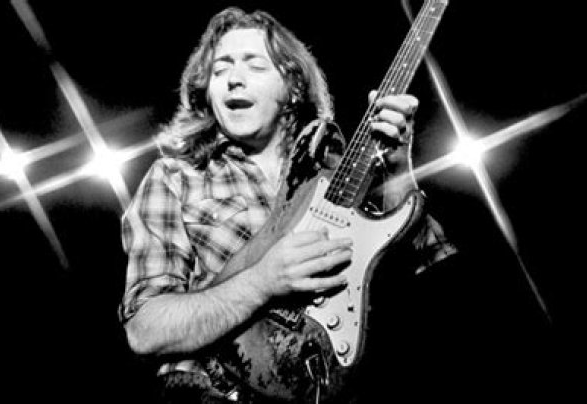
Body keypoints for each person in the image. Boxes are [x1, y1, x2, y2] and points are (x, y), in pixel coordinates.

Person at [118, 6, 455, 404]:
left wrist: (397, 168)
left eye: (254, 65)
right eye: (220, 69)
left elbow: (432, 272)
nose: (233, 78)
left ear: (293, 87)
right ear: (206, 92)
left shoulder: (342, 174)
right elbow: (146, 331)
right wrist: (263, 280)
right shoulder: (176, 176)